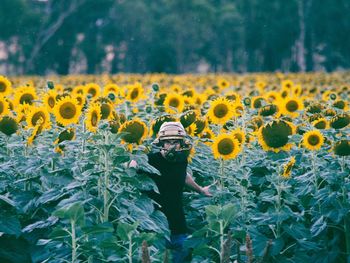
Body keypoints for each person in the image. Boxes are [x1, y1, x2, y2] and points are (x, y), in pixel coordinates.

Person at [128, 121, 212, 263]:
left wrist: (200, 190)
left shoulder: (181, 160)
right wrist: (133, 162)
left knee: (182, 257)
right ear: (161, 143)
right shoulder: (150, 160)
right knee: (158, 258)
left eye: (175, 142)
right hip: (156, 223)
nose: (172, 146)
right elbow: (132, 168)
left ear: (181, 144)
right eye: (168, 142)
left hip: (178, 222)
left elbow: (183, 175)